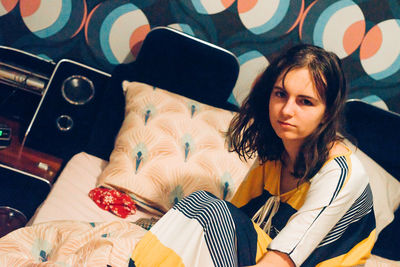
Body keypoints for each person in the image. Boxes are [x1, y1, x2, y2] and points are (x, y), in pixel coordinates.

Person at [131, 44, 376, 266]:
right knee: (200, 204)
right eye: (280, 94)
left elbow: (281, 262)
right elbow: (233, 225)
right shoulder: (275, 154)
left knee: (213, 212)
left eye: (305, 102)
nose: (287, 110)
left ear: (327, 112)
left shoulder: (342, 174)